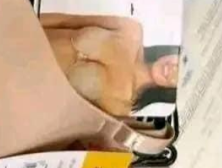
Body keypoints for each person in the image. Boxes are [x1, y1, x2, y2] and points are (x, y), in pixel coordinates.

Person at [41, 13, 179, 116]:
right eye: (182, 62)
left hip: (32, 82)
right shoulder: (132, 30)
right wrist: (28, 20)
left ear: (172, 93)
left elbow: (62, 112)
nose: (174, 69)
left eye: (178, 78)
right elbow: (67, 21)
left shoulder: (121, 106)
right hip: (30, 33)